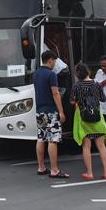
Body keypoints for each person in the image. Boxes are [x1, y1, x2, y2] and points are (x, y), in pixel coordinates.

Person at [72, 63, 106, 180]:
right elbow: (103, 99)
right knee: (101, 146)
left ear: (77, 74)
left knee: (86, 146)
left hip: (84, 118)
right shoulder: (96, 84)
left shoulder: (76, 86)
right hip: (97, 117)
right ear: (88, 72)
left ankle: (90, 173)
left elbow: (72, 101)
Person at [34, 50, 69, 179]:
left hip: (40, 111)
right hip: (51, 111)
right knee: (52, 140)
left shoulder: (36, 73)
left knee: (41, 138)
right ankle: (54, 170)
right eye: (54, 61)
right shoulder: (51, 74)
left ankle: (41, 167)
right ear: (50, 60)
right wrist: (61, 111)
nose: (55, 64)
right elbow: (55, 93)